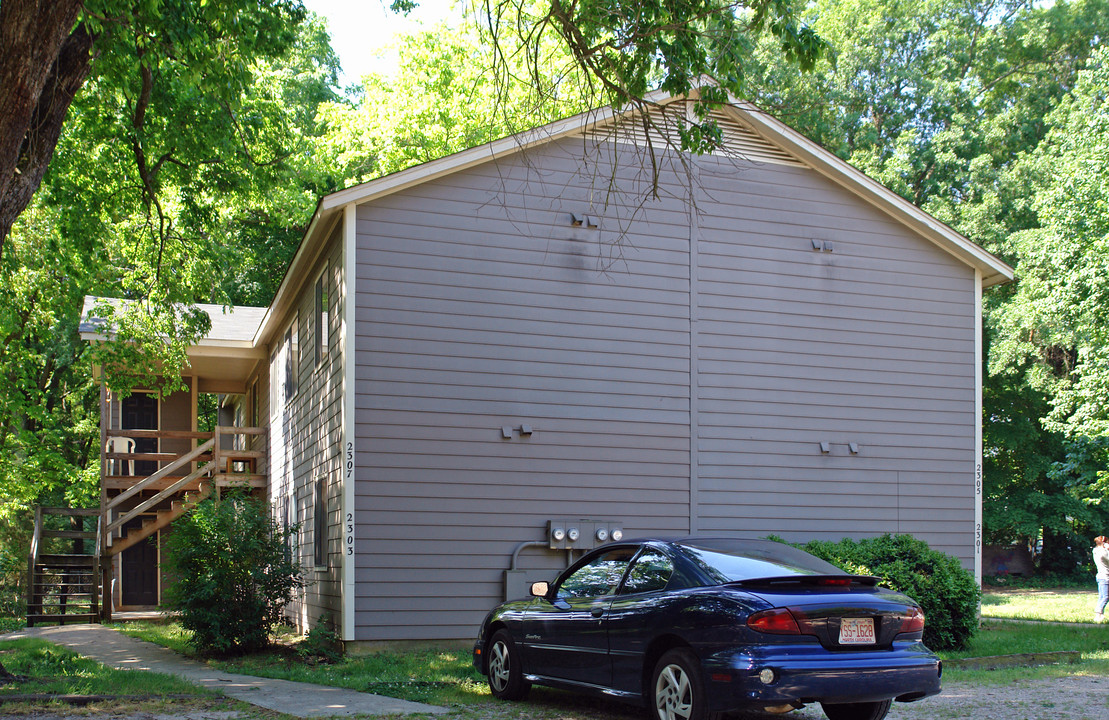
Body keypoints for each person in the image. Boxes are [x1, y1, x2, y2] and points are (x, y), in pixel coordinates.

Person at [1095, 536, 1109, 623]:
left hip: (1100, 576)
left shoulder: (1095, 551)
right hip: (1106, 577)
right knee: (1105, 597)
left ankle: (1100, 615)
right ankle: (1098, 614)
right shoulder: (1104, 553)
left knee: (1102, 596)